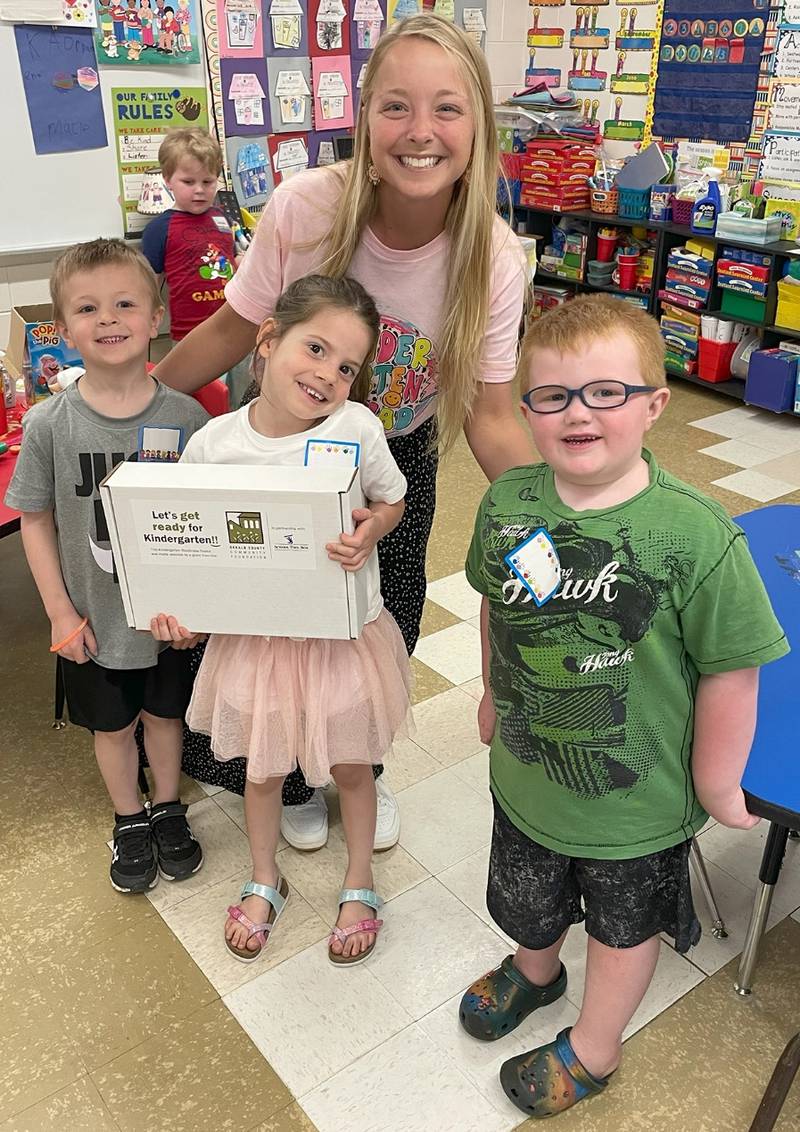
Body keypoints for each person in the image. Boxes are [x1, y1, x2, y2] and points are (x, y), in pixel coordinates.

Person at [153, 13, 534, 851]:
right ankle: (286, 772)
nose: (422, 132)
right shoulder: (306, 208)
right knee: (268, 620)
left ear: (479, 125)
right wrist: (146, 395)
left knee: (377, 623)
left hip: (390, 458)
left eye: (448, 108)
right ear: (363, 119)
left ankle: (358, 769)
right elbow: (233, 326)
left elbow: (493, 415)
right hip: (276, 449)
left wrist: (560, 510)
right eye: (396, 107)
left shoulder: (495, 258)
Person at [458, 295, 789, 1119]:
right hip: (528, 781)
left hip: (636, 805)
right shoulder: (510, 506)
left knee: (621, 932)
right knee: (528, 900)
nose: (579, 413)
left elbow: (733, 669)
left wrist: (718, 783)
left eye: (606, 392)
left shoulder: (695, 534)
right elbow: (499, 605)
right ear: (526, 409)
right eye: (553, 395)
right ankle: (536, 972)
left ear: (654, 403)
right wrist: (494, 694)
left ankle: (594, 1048)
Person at [151, 275, 412, 965]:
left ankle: (360, 880)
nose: (327, 375)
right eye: (316, 348)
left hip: (342, 638)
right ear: (267, 341)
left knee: (355, 767)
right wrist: (186, 615)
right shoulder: (213, 445)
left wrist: (372, 529)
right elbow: (192, 551)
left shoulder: (357, 428)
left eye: (347, 366)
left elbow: (392, 500)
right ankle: (265, 877)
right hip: (256, 642)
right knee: (262, 772)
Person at [5, 239, 209, 894]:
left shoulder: (188, 419)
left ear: (156, 318)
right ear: (62, 331)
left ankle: (169, 805)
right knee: (112, 726)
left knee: (165, 717)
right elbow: (33, 518)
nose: (109, 319)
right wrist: (60, 611)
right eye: (88, 308)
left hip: (169, 618)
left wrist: (205, 608)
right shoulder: (48, 426)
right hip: (92, 619)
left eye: (125, 303)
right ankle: (129, 816)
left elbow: (210, 525)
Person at [141, 129, 235, 347]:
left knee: (242, 382)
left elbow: (231, 262)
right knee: (199, 383)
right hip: (190, 335)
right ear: (168, 180)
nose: (199, 190)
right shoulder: (159, 229)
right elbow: (148, 284)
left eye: (208, 181)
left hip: (233, 327)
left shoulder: (221, 217)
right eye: (189, 182)